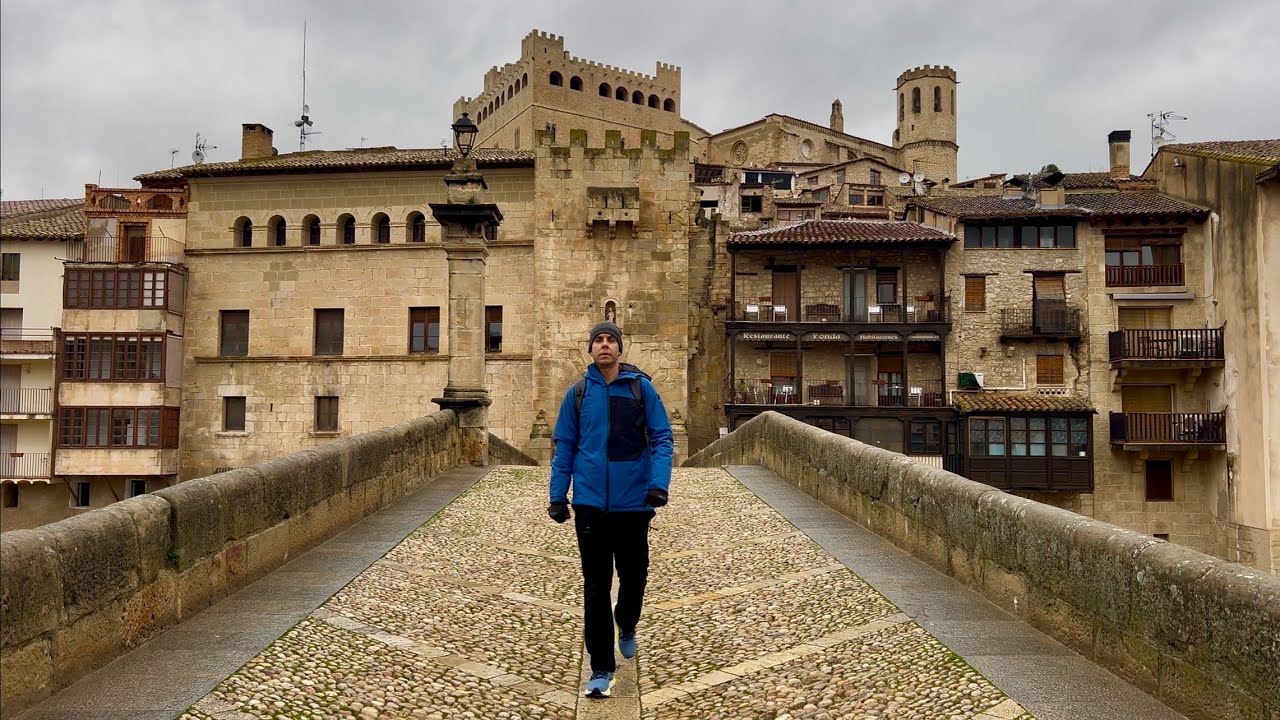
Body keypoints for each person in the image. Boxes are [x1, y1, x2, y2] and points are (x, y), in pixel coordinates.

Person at [548, 321, 673, 699]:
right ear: (590, 350)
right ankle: (602, 667)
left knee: (634, 577)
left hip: (634, 503)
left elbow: (663, 438)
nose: (604, 346)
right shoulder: (578, 394)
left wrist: (658, 485)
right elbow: (564, 446)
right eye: (598, 341)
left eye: (610, 341)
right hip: (589, 505)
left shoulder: (641, 389)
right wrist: (558, 495)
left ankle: (627, 623)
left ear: (620, 349)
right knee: (596, 587)